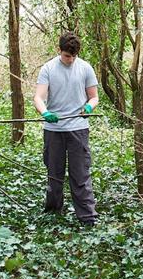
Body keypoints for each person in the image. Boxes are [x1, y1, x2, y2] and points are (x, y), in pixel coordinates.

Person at [33, 32, 99, 227]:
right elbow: (38, 97)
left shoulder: (85, 68)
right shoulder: (48, 68)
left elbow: (94, 97)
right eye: (66, 56)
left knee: (80, 174)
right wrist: (45, 113)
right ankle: (53, 211)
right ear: (59, 51)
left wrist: (89, 107)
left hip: (78, 128)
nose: (70, 60)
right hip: (53, 129)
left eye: (73, 56)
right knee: (54, 173)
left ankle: (87, 216)